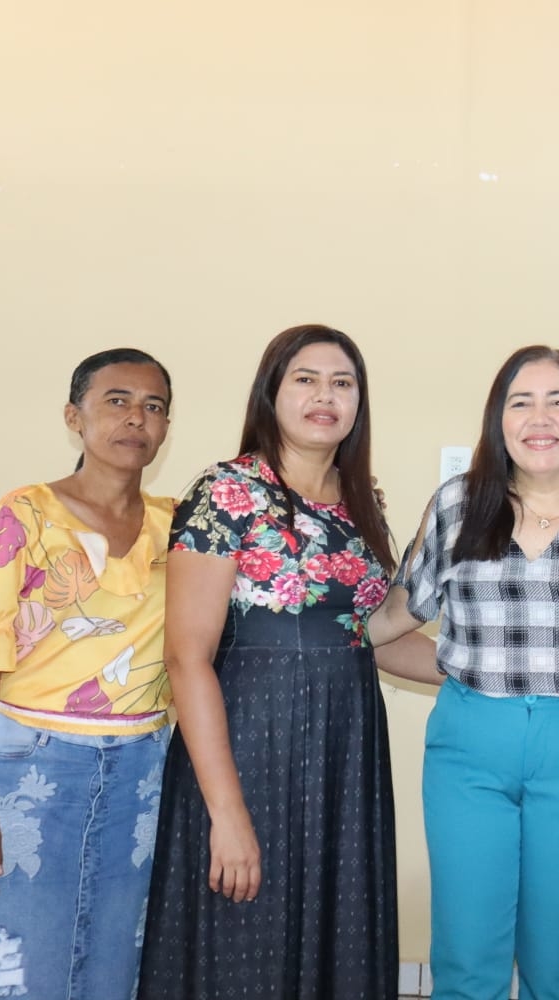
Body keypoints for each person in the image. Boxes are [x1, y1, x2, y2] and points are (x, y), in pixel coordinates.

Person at [137, 324, 436, 1000]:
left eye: (342, 383)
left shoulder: (365, 503)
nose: (324, 396)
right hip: (248, 749)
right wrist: (227, 814)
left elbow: (371, 635)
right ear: (271, 393)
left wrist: (496, 671)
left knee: (339, 942)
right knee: (244, 939)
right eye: (305, 379)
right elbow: (187, 658)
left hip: (345, 754)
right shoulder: (226, 492)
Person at [368, 345, 559, 1000]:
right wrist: (313, 630)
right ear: (498, 420)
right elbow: (388, 627)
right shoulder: (457, 507)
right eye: (520, 401)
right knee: (467, 960)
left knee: (558, 965)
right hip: (469, 752)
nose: (540, 416)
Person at [0, 348, 174, 1000]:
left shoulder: (176, 526)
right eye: (117, 401)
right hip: (32, 768)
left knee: (114, 973)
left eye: (154, 407)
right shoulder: (22, 516)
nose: (137, 418)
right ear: (74, 416)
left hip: (142, 776)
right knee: (20, 970)